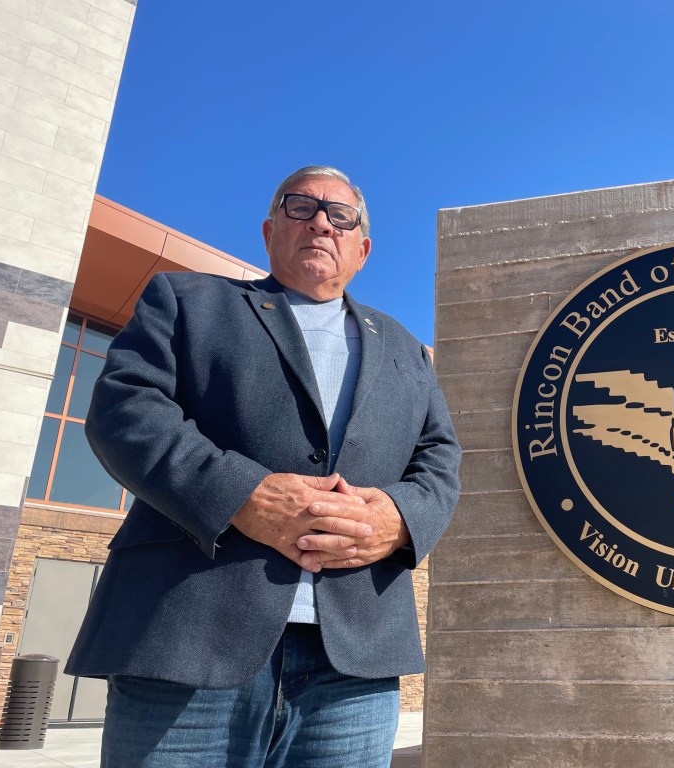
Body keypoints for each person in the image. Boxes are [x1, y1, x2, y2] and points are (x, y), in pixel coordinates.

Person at [65, 166, 461, 767]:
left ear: (363, 249)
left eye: (340, 214)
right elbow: (125, 412)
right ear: (270, 230)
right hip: (188, 641)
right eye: (300, 207)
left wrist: (401, 521)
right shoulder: (186, 301)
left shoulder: (406, 347)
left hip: (353, 663)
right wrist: (241, 496)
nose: (321, 221)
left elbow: (440, 458)